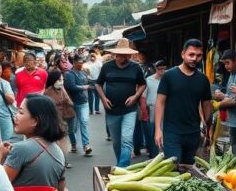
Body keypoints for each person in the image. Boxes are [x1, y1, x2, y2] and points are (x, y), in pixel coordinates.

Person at [155, 40, 213, 164]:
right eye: (191, 55)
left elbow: (207, 105)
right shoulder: (169, 76)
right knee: (173, 169)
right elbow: (160, 102)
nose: (194, 58)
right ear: (183, 54)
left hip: (193, 134)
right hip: (172, 133)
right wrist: (158, 130)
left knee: (189, 171)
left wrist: (208, 131)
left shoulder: (203, 80)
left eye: (198, 56)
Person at [0, 95, 67, 190]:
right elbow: (61, 188)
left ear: (35, 121)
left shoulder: (20, 149)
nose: (15, 116)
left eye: (21, 112)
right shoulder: (57, 150)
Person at [96, 39, 147, 167]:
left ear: (129, 55)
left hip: (129, 110)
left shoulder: (135, 67)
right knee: (116, 142)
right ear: (115, 54)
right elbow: (98, 84)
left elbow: (142, 84)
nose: (122, 57)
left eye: (125, 55)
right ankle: (121, 166)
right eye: (120, 55)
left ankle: (122, 167)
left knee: (127, 140)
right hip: (111, 111)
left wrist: (135, 96)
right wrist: (103, 98)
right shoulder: (107, 66)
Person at [42, 70, 76, 157]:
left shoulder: (62, 89)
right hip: (56, 117)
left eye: (62, 80)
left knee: (69, 132)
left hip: (68, 114)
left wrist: (70, 103)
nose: (62, 82)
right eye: (59, 80)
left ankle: (70, 147)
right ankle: (62, 157)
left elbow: (69, 101)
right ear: (53, 80)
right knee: (60, 137)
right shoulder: (47, 92)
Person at [63, 54, 92, 155]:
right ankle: (73, 143)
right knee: (72, 127)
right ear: (74, 63)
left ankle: (86, 145)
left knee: (84, 122)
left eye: (82, 63)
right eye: (79, 63)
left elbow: (89, 82)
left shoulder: (83, 72)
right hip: (72, 103)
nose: (81, 64)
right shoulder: (69, 74)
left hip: (83, 102)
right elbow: (71, 87)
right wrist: (84, 87)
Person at [141, 60, 167, 155]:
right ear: (156, 69)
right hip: (152, 109)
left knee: (164, 132)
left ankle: (164, 153)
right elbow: (143, 97)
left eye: (164, 69)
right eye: (160, 69)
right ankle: (154, 154)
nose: (162, 71)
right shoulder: (149, 80)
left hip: (166, 110)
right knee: (153, 132)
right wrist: (144, 112)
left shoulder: (168, 80)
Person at [0, 60, 18, 143]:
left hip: (5, 117)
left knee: (6, 142)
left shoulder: (5, 83)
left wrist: (7, 95)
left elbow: (11, 100)